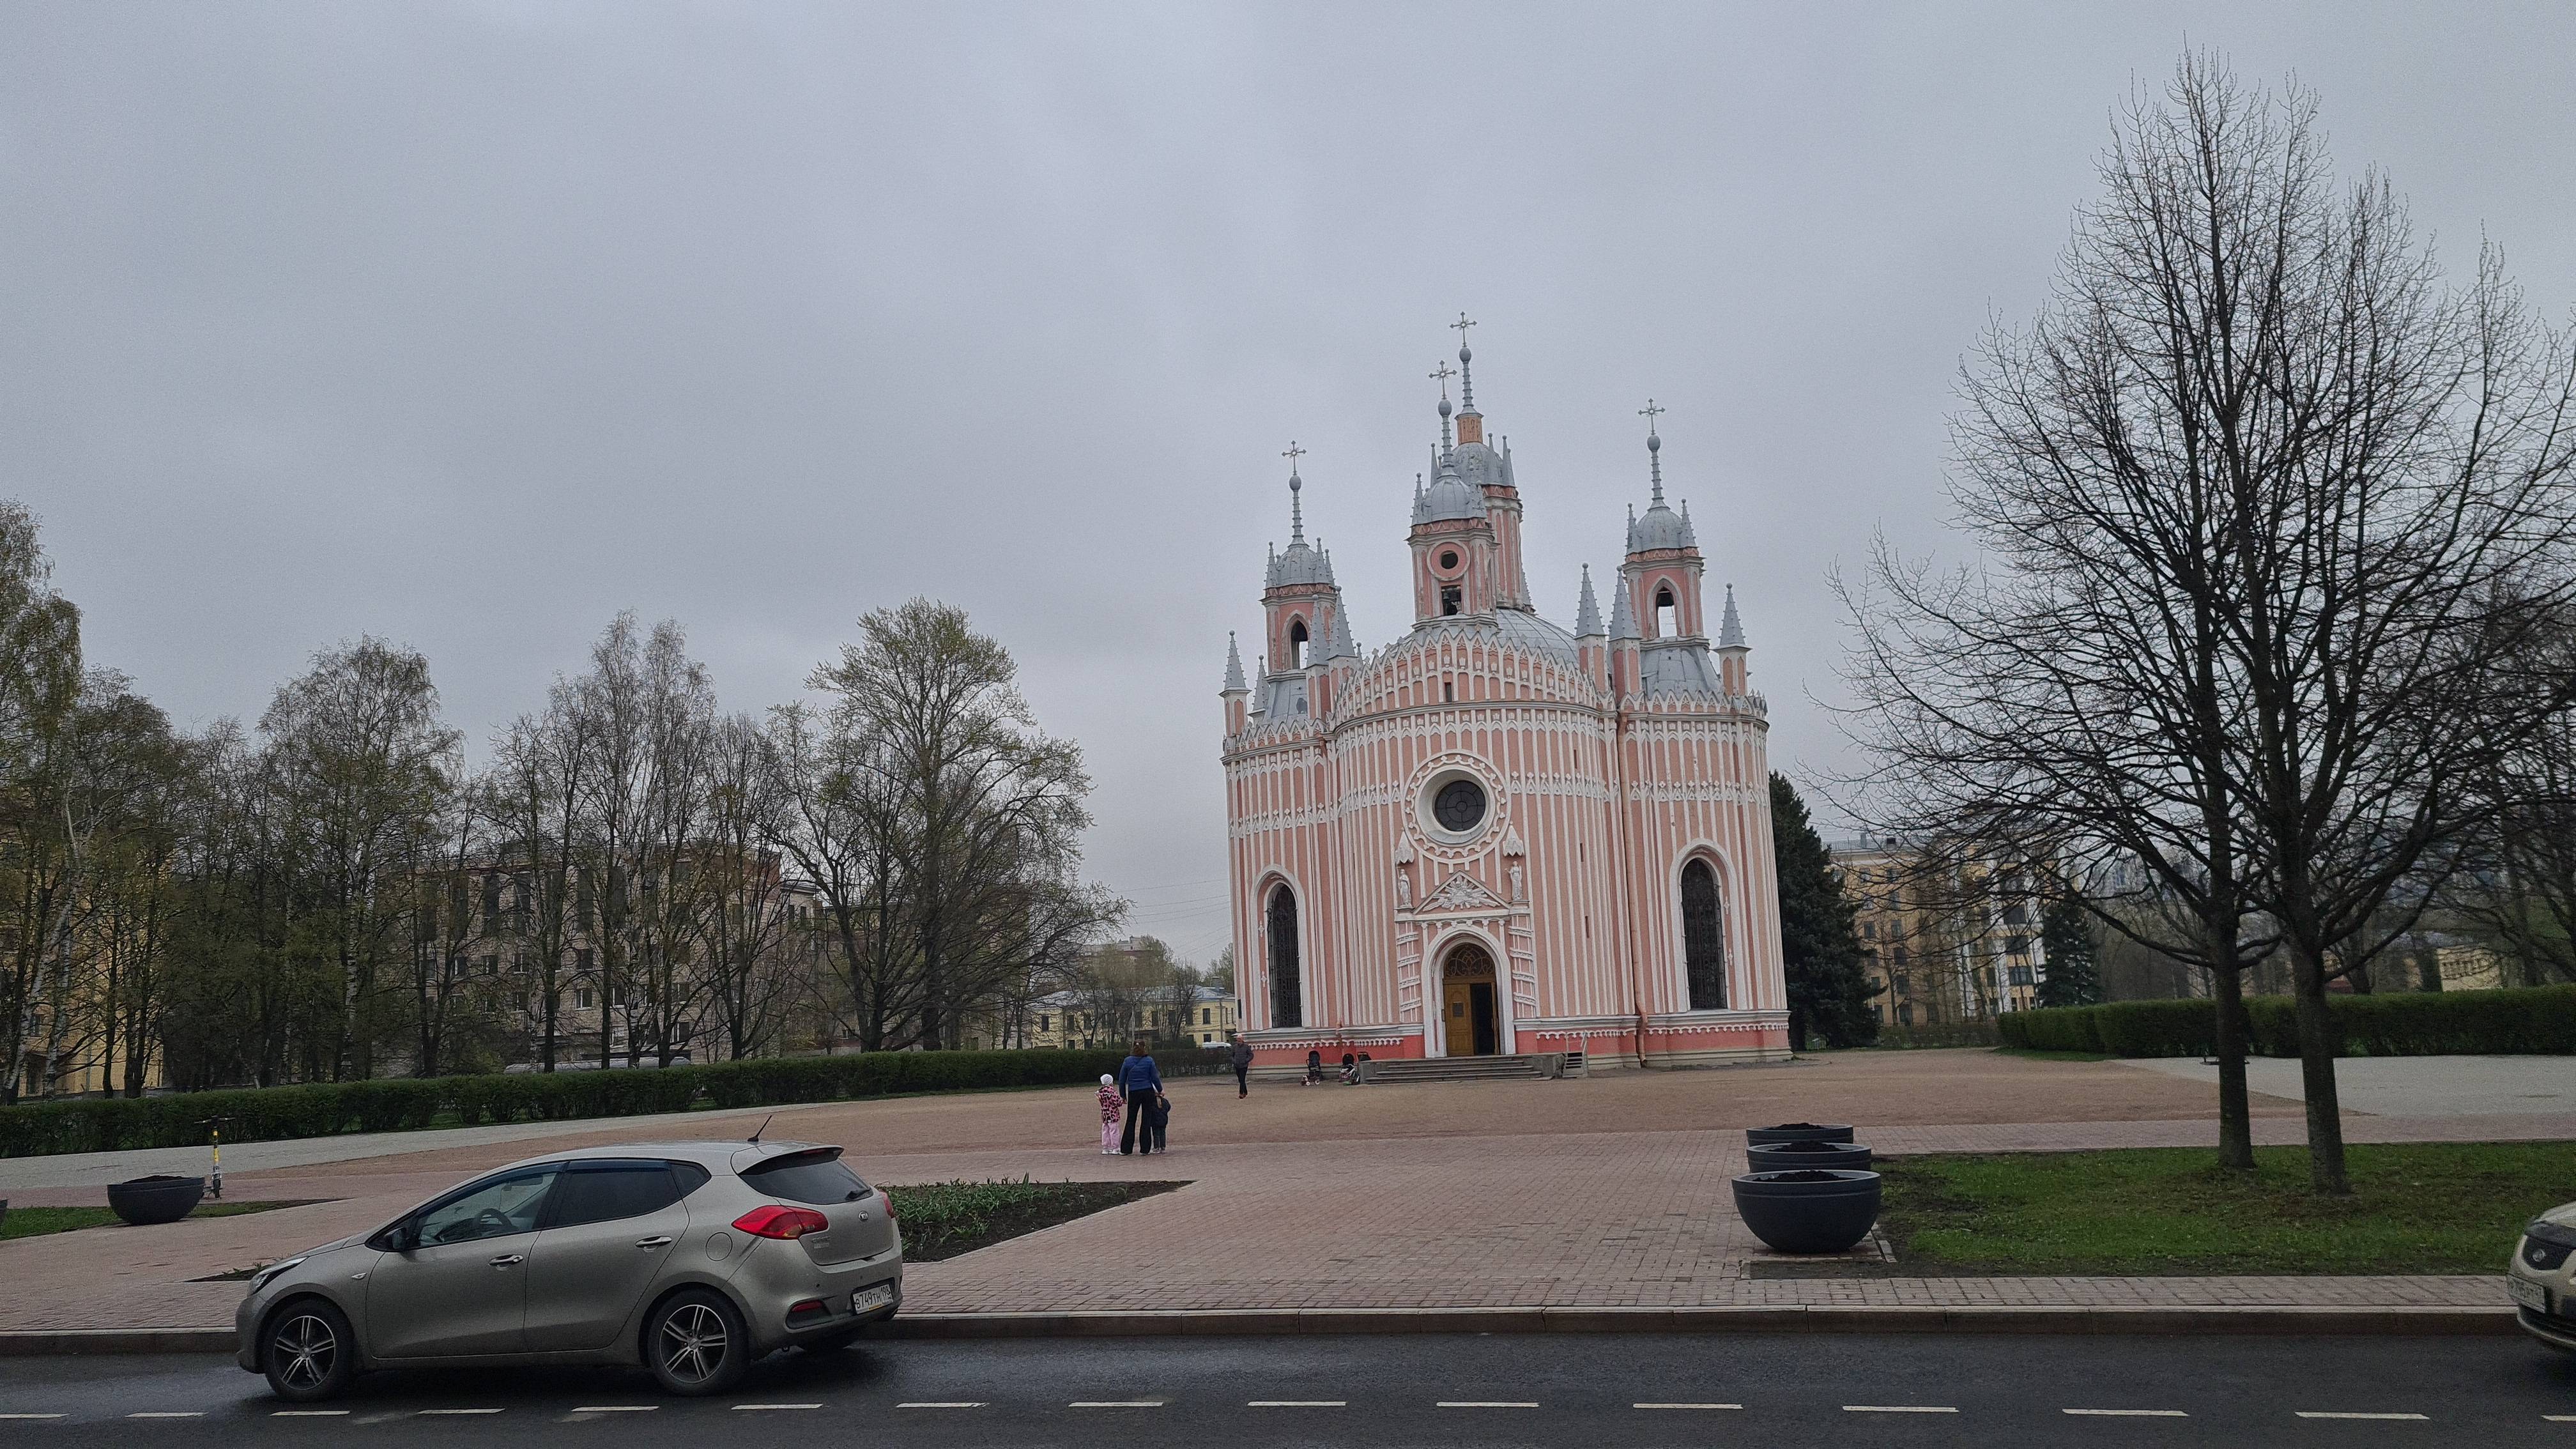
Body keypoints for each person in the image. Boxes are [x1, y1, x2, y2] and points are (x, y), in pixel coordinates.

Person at [1116, 1041, 1162, 1155]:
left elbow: (1122, 1080)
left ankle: (1126, 1149)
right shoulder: (1149, 1060)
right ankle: (1145, 1149)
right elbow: (1155, 1078)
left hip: (1133, 1092)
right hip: (1147, 1092)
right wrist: (1160, 1090)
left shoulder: (1127, 1061)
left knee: (1131, 1119)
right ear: (1144, 1048)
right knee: (1146, 1119)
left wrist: (1123, 1095)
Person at [1096, 1073, 1121, 1154]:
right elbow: (1118, 1102)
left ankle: (1105, 1147)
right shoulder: (1112, 1091)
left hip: (1105, 1114)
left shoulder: (1100, 1092)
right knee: (1114, 1130)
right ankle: (1115, 1147)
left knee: (1105, 1130)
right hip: (1113, 1113)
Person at [1143, 1087, 1172, 1154]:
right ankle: (1163, 1147)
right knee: (1163, 1133)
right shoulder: (1165, 1101)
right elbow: (1169, 1107)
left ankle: (1156, 1148)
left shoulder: (1151, 1102)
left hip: (1155, 1121)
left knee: (1156, 1134)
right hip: (1164, 1120)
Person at [1228, 1031, 1252, 1098]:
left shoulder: (1246, 1047)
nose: (1238, 1040)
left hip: (1244, 1066)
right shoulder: (1235, 1047)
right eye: (1238, 1039)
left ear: (1242, 1040)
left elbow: (1251, 1055)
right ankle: (1245, 1091)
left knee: (1242, 1079)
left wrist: (1246, 1061)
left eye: (1240, 1039)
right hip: (1237, 1066)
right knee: (1240, 1080)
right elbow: (1231, 1055)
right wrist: (1234, 1061)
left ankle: (1241, 1093)